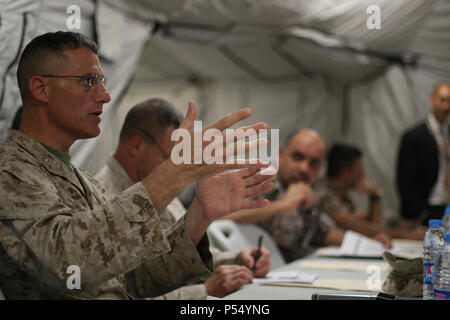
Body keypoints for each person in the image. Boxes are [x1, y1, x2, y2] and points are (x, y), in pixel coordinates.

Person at [0, 31, 273, 299]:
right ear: (41, 88)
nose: (105, 96)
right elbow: (68, 264)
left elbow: (131, 279)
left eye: (103, 81)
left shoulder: (81, 179)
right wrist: (174, 173)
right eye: (89, 80)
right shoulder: (9, 171)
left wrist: (200, 214)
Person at [95, 98, 271, 299]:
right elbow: (126, 287)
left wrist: (235, 260)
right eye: (173, 160)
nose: (181, 169)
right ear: (137, 147)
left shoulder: (155, 183)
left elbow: (173, 252)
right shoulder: (101, 199)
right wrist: (202, 292)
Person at [225, 129, 388, 262]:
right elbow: (223, 215)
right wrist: (283, 205)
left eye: (313, 163)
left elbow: (324, 233)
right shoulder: (259, 182)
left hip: (295, 273)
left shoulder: (305, 191)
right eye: (297, 157)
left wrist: (369, 244)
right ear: (281, 155)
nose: (304, 168)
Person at [314, 143, 425, 243]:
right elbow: (360, 228)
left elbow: (372, 225)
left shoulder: (343, 195)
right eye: (359, 167)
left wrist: (374, 197)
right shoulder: (323, 194)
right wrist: (409, 235)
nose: (363, 172)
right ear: (345, 172)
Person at [396, 82, 450, 225]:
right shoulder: (415, 136)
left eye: (449, 101)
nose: (446, 106)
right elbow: (405, 181)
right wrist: (420, 212)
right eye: (442, 100)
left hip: (446, 207)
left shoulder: (448, 134)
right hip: (426, 209)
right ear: (432, 100)